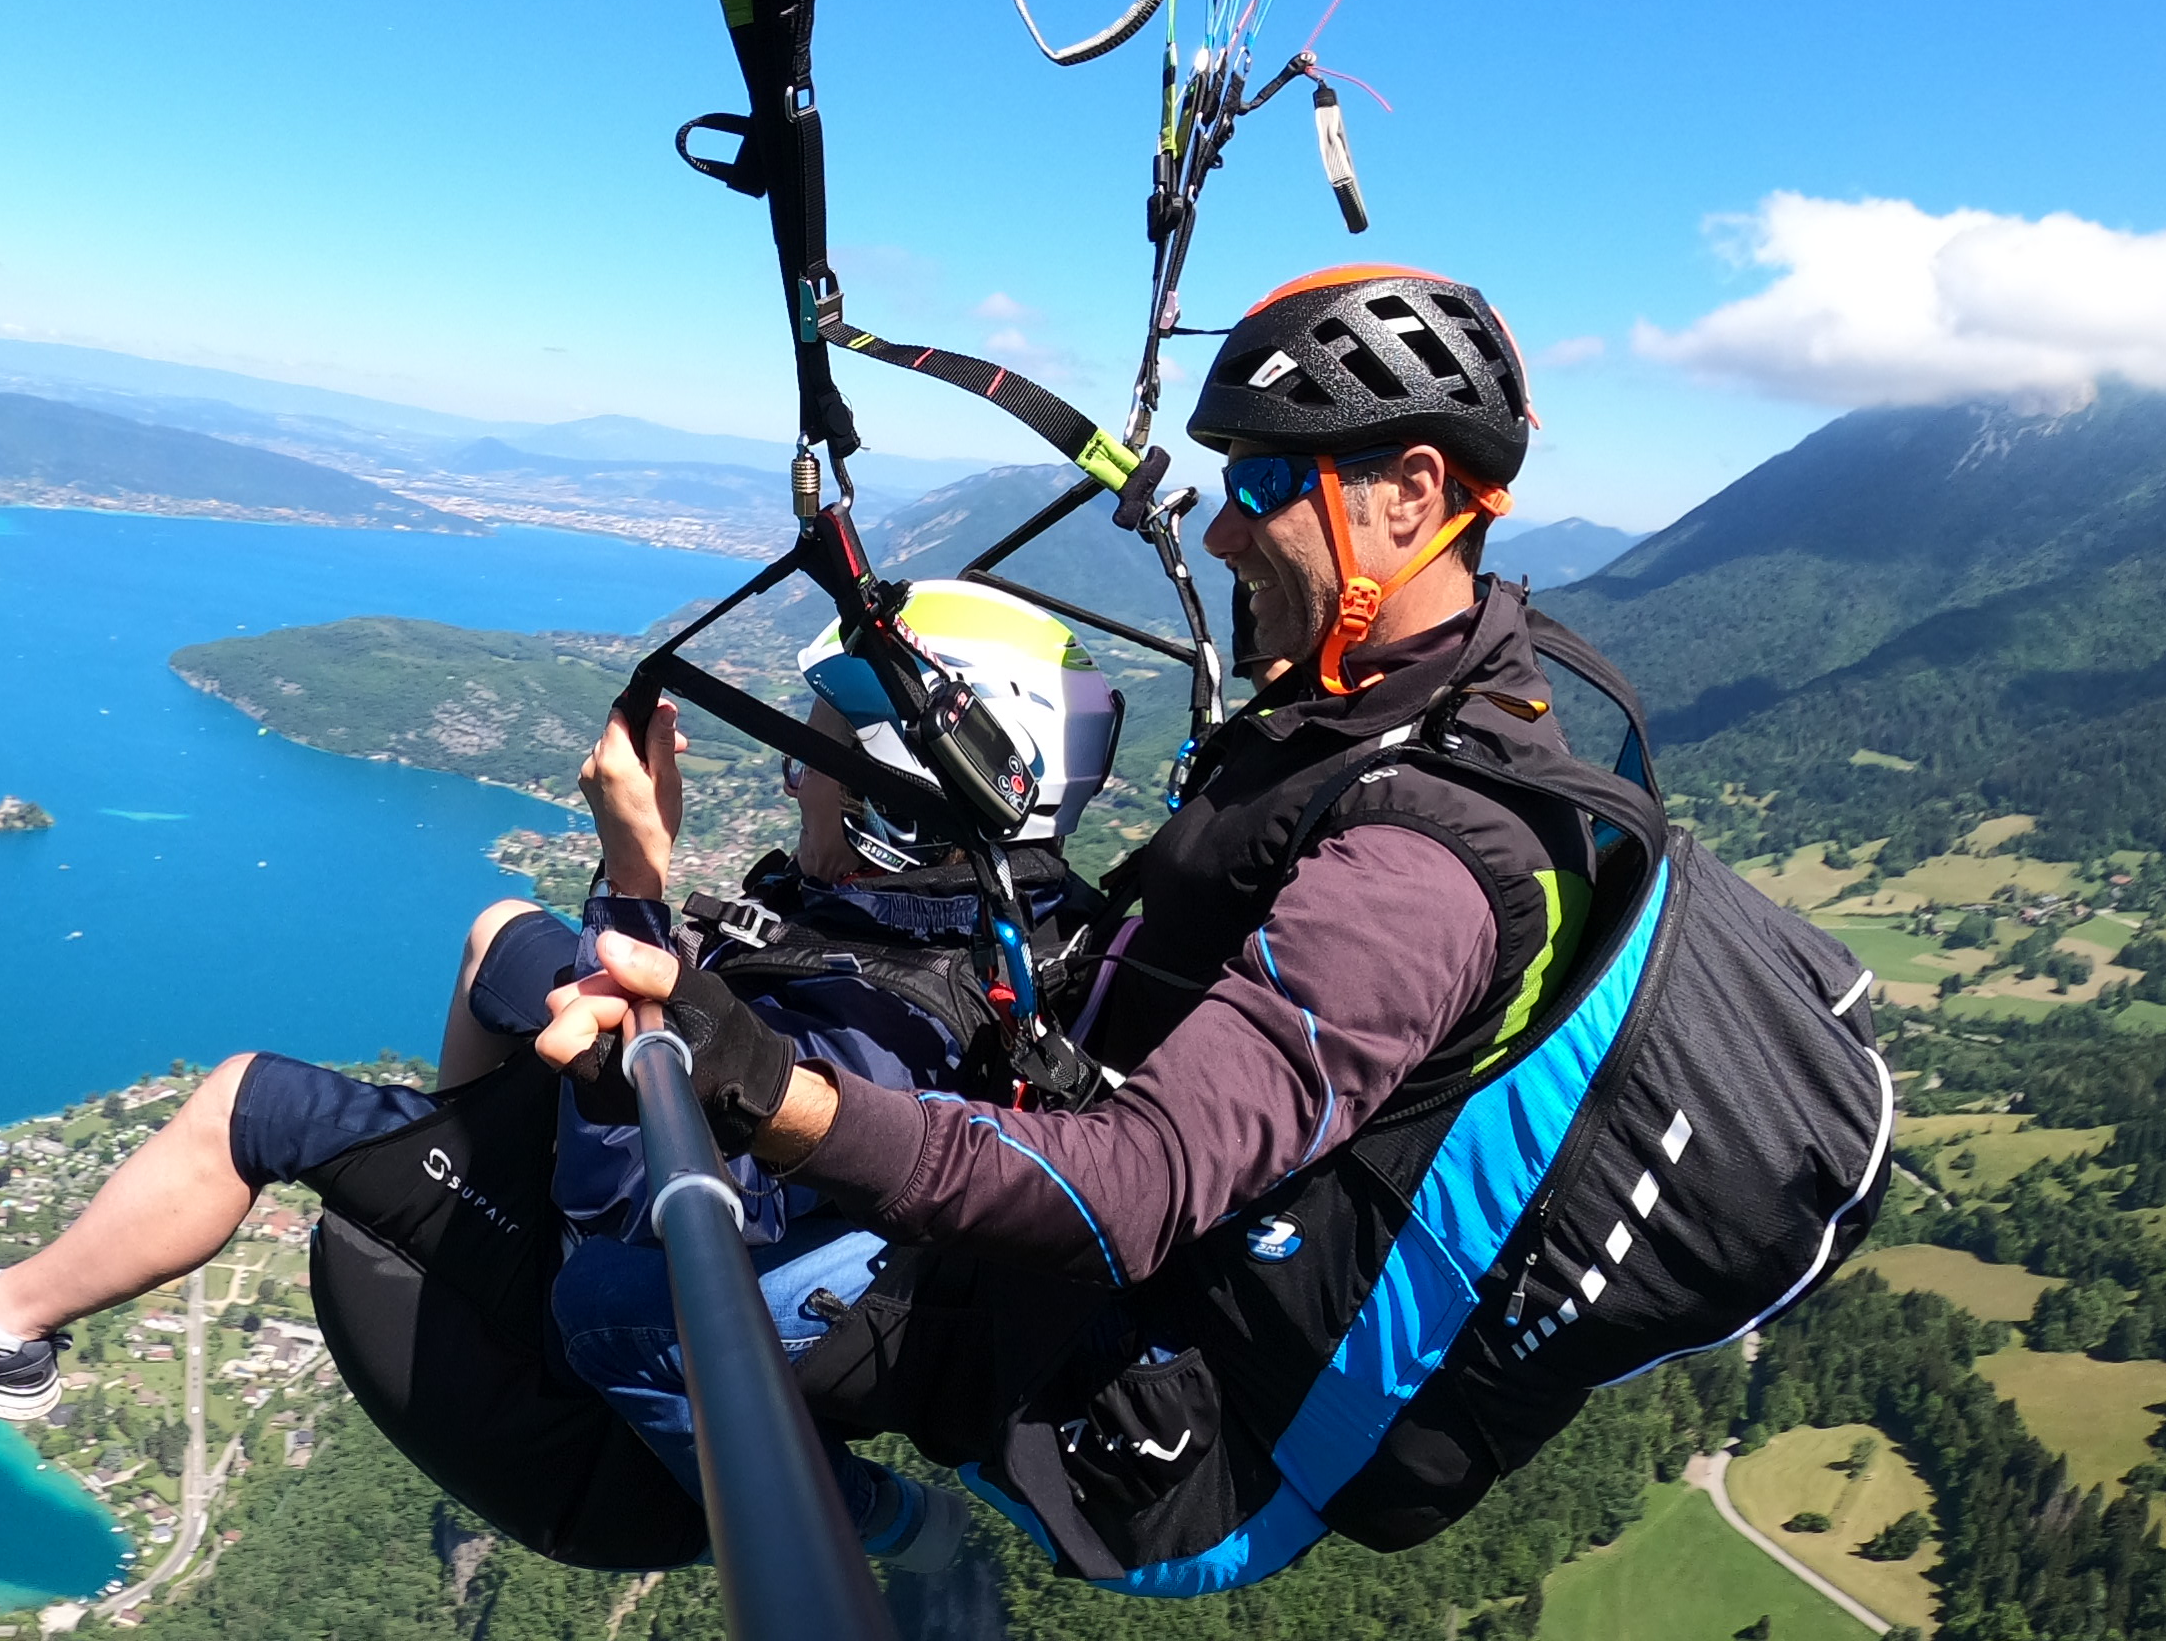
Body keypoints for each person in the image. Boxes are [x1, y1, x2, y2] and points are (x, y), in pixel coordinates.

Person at [537, 265, 1624, 1581]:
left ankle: (893, 1543)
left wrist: (764, 1086)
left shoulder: (1423, 865)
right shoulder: (1380, 697)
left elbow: (1138, 1183)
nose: (1223, 535)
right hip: (1087, 1228)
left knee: (607, 1305)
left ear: (1410, 491)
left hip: (1133, 1388)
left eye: (1264, 484)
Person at [0, 580, 1118, 1567]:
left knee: (250, 1103)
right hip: (723, 1207)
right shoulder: (985, 927)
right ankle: (467, 1142)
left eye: (815, 756)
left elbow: (634, 1210)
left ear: (896, 801)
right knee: (504, 930)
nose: (790, 778)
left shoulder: (869, 1029)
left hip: (629, 1293)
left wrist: (634, 883)